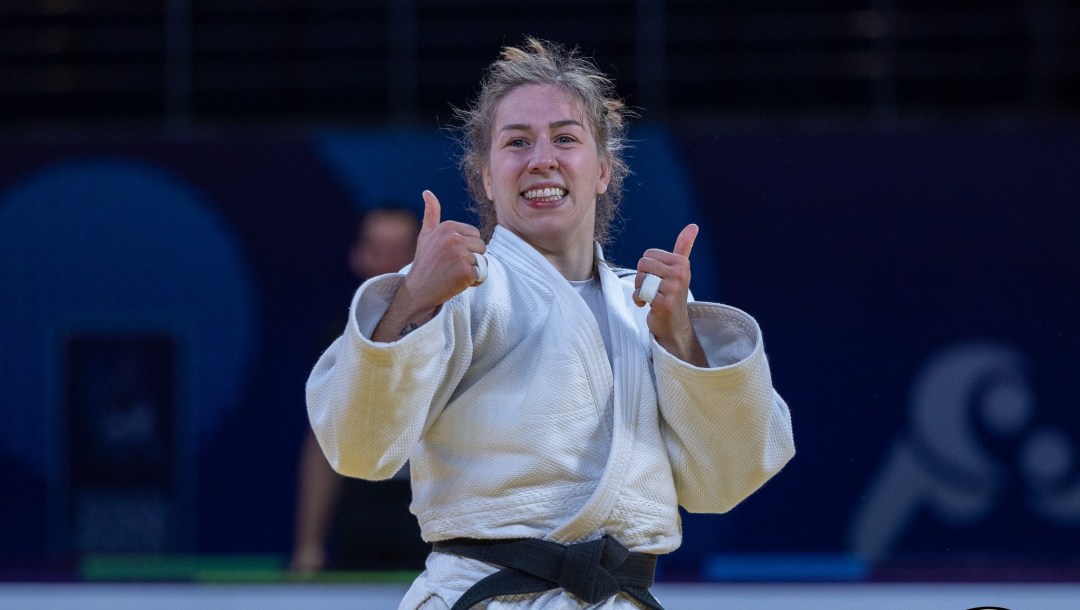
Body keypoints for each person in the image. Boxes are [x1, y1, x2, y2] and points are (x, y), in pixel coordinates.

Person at [306, 38, 795, 609]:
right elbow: (360, 448)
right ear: (486, 177)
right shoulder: (456, 296)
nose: (542, 158)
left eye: (566, 138)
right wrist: (414, 298)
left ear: (604, 169)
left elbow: (726, 482)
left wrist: (680, 338)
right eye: (516, 142)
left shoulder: (647, 310)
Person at [291, 206, 428, 574]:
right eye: (377, 249)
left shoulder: (455, 327)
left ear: (422, 257)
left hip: (437, 523)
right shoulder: (337, 340)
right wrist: (308, 545)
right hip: (361, 524)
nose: (388, 263)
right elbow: (321, 442)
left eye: (399, 250)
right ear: (358, 256)